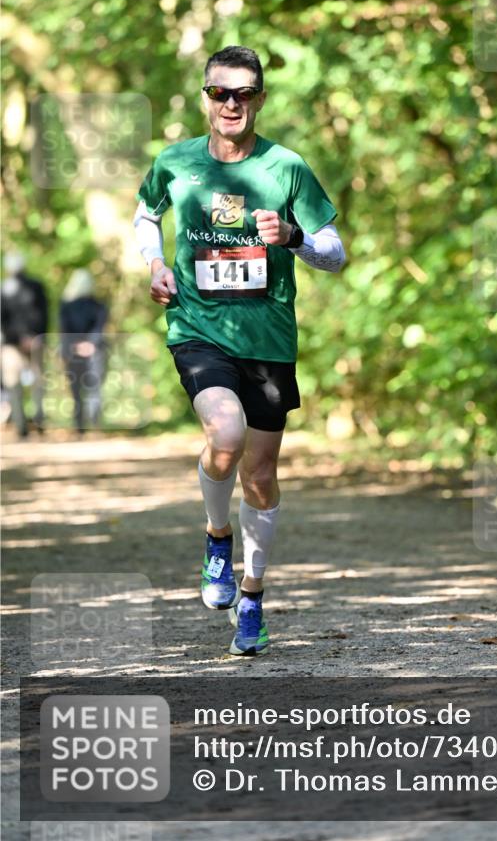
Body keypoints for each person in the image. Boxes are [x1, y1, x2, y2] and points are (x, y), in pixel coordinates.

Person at [133, 45, 345, 656]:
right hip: (198, 329)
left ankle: (252, 596)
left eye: (244, 93)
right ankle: (215, 540)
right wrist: (152, 263)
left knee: (260, 475)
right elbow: (147, 215)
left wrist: (297, 237)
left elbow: (335, 253)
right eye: (220, 92)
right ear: (205, 97)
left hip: (269, 340)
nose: (232, 103)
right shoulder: (175, 162)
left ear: (259, 98)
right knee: (224, 436)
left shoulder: (287, 167)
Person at [0, 252, 48, 438]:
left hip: (28, 341)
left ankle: (36, 421)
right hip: (14, 344)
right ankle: (23, 425)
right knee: (17, 384)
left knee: (34, 383)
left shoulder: (35, 287)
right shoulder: (5, 289)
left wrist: (34, 337)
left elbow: (43, 314)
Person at [60, 269, 108, 434]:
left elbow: (64, 332)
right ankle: (93, 423)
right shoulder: (98, 306)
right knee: (93, 387)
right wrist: (89, 344)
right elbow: (99, 329)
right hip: (94, 350)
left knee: (78, 389)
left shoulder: (66, 306)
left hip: (75, 352)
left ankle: (80, 425)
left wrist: (71, 348)